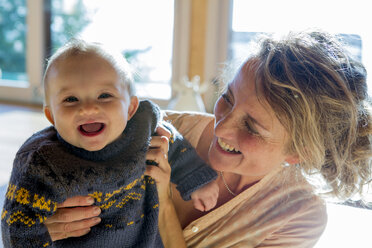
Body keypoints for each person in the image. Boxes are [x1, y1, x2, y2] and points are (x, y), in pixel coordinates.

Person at [45, 30, 371, 247]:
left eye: (252, 127)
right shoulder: (156, 129)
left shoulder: (298, 216)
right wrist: (42, 225)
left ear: (297, 151)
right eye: (227, 98)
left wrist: (160, 202)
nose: (223, 128)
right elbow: (36, 182)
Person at [1, 40, 219, 248]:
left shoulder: (143, 127)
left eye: (104, 95)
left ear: (131, 108)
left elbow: (172, 142)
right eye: (71, 99)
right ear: (51, 116)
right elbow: (16, 227)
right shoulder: (42, 161)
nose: (88, 108)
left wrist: (197, 179)